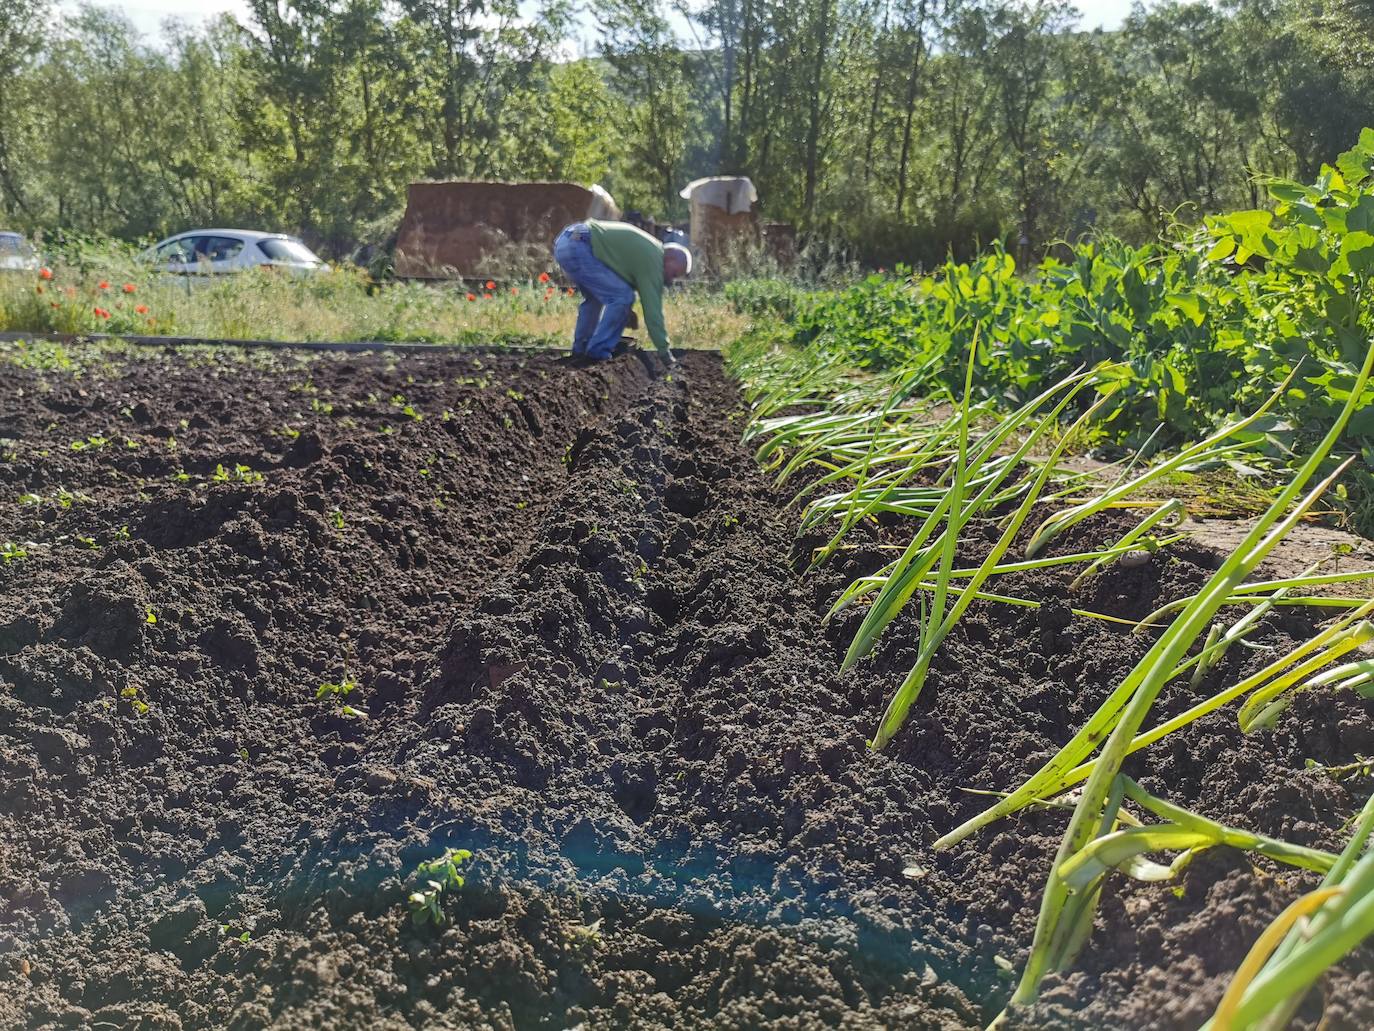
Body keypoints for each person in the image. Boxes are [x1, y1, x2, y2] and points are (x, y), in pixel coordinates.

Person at [552, 219, 691, 365]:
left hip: (567, 241)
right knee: (623, 296)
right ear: (669, 258)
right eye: (674, 273)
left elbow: (615, 278)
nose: (671, 280)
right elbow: (653, 313)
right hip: (581, 246)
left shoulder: (648, 251)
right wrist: (664, 353)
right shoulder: (655, 260)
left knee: (594, 300)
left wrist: (625, 309)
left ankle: (580, 350)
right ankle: (597, 353)